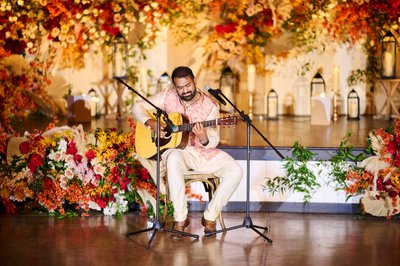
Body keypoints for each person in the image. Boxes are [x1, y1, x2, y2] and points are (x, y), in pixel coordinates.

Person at [132, 66, 242, 238]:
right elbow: (137, 106)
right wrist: (150, 123)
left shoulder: (210, 105)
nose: (185, 91)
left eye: (188, 85)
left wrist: (204, 137)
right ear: (175, 86)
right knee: (174, 156)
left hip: (202, 153)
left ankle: (210, 217)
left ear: (194, 80)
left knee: (236, 171)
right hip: (177, 152)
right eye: (180, 88)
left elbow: (214, 139)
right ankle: (180, 218)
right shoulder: (168, 96)